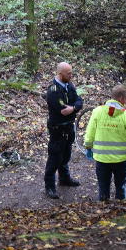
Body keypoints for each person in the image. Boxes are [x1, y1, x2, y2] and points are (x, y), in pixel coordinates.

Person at [83, 85, 126, 202]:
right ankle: (121, 213)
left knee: (103, 189)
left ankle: (103, 212)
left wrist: (88, 147)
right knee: (121, 188)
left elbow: (90, 132)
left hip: (102, 160)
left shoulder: (97, 112)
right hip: (121, 160)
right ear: (122, 98)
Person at [44, 62, 83, 199]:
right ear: (61, 74)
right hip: (57, 129)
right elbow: (63, 110)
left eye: (71, 72)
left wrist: (73, 108)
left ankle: (64, 178)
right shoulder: (53, 91)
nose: (71, 75)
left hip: (68, 126)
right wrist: (74, 108)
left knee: (66, 155)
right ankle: (49, 186)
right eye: (69, 73)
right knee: (55, 157)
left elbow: (79, 101)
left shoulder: (69, 86)